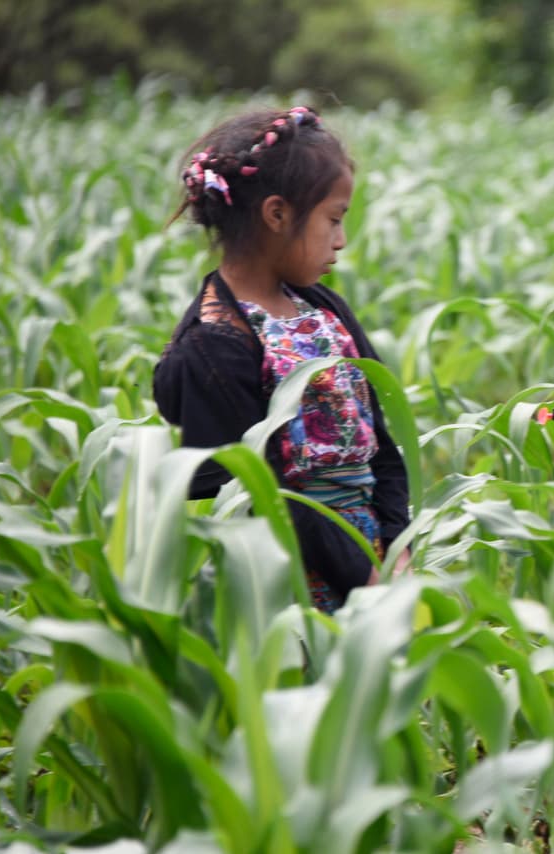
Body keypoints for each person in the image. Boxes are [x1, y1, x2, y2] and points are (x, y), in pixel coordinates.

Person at [154, 106, 410, 613]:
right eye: (333, 220)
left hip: (378, 562)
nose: (341, 240)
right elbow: (265, 496)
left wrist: (398, 545)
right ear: (277, 214)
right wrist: (367, 576)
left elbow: (381, 438)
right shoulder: (213, 347)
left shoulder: (324, 309)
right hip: (290, 589)